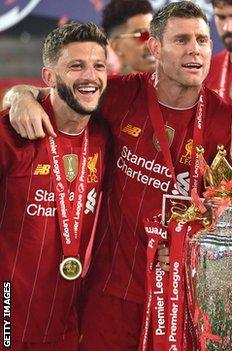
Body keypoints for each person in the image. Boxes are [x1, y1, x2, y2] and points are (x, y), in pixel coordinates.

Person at [4, 2, 232, 350]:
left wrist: (194, 245)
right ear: (154, 47)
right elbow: (65, 92)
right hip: (106, 296)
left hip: (179, 298)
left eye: (202, 40)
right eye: (182, 39)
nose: (194, 49)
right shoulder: (119, 93)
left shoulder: (228, 121)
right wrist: (20, 96)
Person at [0, 22, 110, 351]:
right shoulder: (10, 133)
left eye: (98, 65)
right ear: (48, 77)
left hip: (64, 326)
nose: (90, 76)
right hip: (8, 316)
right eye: (76, 66)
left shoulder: (106, 134)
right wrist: (19, 96)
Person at [102, 0, 155, 75]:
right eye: (143, 35)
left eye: (154, 34)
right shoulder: (108, 85)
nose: (152, 44)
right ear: (116, 47)